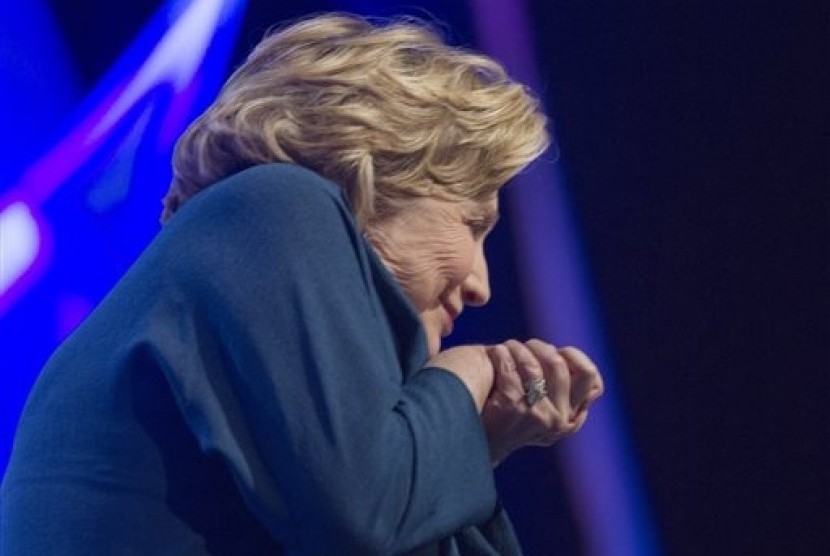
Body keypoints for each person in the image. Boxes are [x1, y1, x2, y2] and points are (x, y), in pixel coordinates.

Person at [1, 13, 603, 556]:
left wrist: (475, 445)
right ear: (381, 168)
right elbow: (362, 518)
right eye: (472, 225)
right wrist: (464, 376)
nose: (480, 285)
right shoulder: (277, 205)